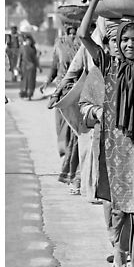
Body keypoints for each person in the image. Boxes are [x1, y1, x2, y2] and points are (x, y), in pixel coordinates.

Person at [78, 0, 134, 267]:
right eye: (124, 39)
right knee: (121, 209)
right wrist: (95, 1)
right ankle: (120, 259)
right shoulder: (108, 65)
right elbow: (84, 35)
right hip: (114, 147)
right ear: (116, 43)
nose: (130, 44)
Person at [44, 24, 82, 193]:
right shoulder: (59, 44)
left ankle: (76, 176)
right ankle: (71, 169)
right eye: (70, 31)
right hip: (62, 95)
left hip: (79, 94)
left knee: (76, 136)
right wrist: (48, 83)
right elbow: (55, 66)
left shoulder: (85, 45)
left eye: (75, 30)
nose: (73, 34)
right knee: (64, 134)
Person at [16, 33, 41, 100]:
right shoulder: (23, 48)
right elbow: (19, 58)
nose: (28, 42)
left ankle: (29, 95)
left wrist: (39, 67)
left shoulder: (33, 49)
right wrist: (18, 66)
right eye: (27, 40)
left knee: (30, 82)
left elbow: (36, 59)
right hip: (24, 68)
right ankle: (24, 94)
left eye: (29, 40)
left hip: (31, 68)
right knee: (25, 81)